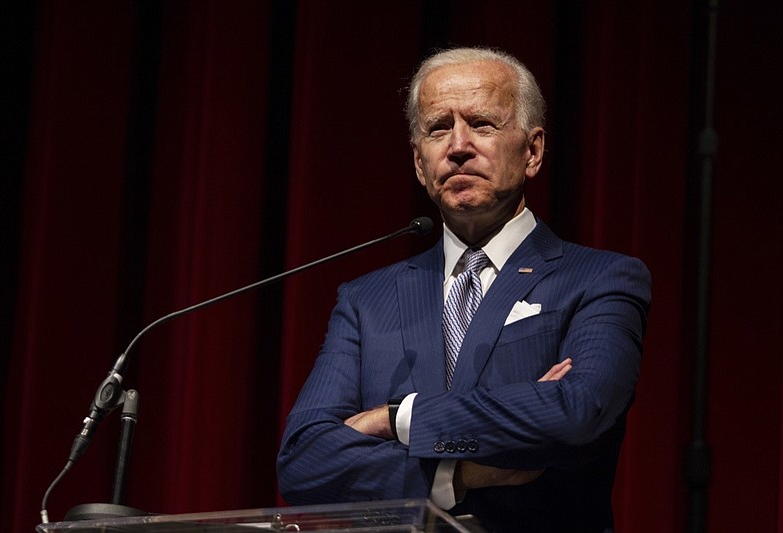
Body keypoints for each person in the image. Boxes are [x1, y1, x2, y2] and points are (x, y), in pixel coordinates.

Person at [277, 47, 651, 533]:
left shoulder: (599, 278)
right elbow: (304, 460)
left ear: (533, 151)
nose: (457, 145)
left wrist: (397, 419)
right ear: (418, 163)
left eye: (482, 124)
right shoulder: (367, 300)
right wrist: (455, 473)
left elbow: (576, 412)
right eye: (437, 128)